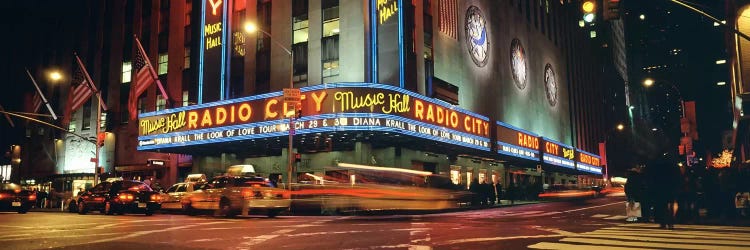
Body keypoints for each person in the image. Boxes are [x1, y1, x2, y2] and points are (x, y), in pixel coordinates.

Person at [646, 152, 682, 229]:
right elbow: (678, 178)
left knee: (663, 206)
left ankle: (663, 222)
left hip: (662, 188)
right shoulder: (674, 167)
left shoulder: (659, 167)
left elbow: (654, 178)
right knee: (670, 205)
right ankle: (670, 222)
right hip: (670, 188)